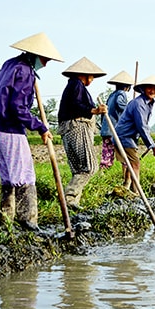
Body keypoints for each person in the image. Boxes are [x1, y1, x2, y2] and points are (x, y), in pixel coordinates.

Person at [0, 32, 64, 231]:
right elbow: (18, 107)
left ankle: (6, 220)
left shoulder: (10, 64)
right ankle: (27, 222)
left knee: (8, 176)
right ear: (34, 55)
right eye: (45, 59)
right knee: (25, 176)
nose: (46, 64)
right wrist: (41, 127)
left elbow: (1, 84)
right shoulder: (25, 71)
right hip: (10, 128)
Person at [57, 57, 108, 211]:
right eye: (91, 76)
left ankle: (72, 202)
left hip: (68, 128)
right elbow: (76, 105)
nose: (92, 80)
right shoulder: (76, 84)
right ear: (83, 74)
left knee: (79, 168)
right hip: (77, 126)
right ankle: (70, 197)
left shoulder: (74, 86)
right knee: (89, 167)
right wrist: (94, 110)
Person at [114, 75, 155, 191]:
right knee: (135, 164)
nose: (152, 91)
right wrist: (153, 147)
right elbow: (142, 127)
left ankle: (126, 186)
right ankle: (137, 192)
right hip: (124, 136)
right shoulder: (139, 104)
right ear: (144, 89)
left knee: (131, 162)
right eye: (149, 88)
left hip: (130, 137)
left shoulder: (148, 103)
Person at [99, 71, 134, 170]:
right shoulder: (121, 94)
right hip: (115, 129)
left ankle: (103, 172)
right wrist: (131, 109)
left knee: (107, 153)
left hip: (106, 129)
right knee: (124, 153)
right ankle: (126, 175)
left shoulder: (111, 95)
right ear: (127, 87)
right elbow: (120, 104)